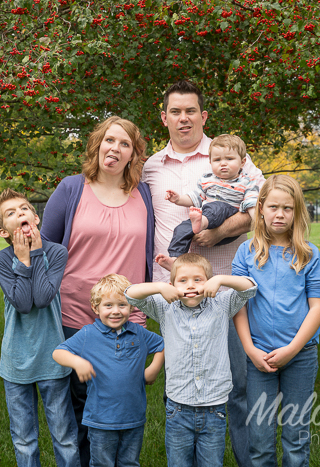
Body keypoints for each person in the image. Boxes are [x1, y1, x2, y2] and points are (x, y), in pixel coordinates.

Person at [144, 79, 263, 467]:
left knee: (236, 387)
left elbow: (258, 210)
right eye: (175, 112)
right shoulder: (150, 168)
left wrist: (217, 233)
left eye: (190, 111)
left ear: (203, 115)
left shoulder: (228, 155)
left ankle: (247, 460)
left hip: (224, 289)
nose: (183, 118)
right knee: (180, 386)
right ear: (164, 118)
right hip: (173, 294)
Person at [38, 116, 155, 465]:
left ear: (133, 154)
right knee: (83, 410)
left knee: (120, 407)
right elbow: (45, 247)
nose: (115, 148)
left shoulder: (144, 194)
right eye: (109, 140)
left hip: (128, 316)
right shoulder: (71, 189)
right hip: (78, 316)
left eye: (124, 144)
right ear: (97, 145)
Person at [125, 253, 258, 467]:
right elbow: (131, 295)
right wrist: (159, 287)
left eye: (198, 279)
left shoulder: (222, 304)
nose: (191, 286)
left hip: (214, 407)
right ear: (172, 284)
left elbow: (250, 288)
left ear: (209, 283)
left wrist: (220, 279)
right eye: (183, 281)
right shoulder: (164, 307)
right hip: (178, 407)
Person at [233, 175, 320, 467]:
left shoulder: (309, 254)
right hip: (259, 355)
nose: (280, 214)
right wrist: (250, 350)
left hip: (301, 355)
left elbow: (318, 309)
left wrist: (292, 350)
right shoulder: (246, 252)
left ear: (297, 212)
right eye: (273, 206)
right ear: (260, 208)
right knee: (260, 440)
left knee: (296, 438)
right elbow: (238, 307)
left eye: (288, 208)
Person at [0, 188, 79, 467]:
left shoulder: (56, 252)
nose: (20, 214)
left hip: (53, 357)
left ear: (36, 218)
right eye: (11, 213)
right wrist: (23, 260)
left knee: (64, 437)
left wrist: (37, 255)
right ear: (4, 232)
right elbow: (23, 304)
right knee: (24, 440)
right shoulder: (1, 260)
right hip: (16, 361)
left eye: (25, 208)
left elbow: (42, 298)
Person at [52, 274, 164, 467]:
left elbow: (162, 344)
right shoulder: (88, 334)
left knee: (129, 463)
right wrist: (77, 362)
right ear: (96, 308)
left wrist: (153, 368)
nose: (116, 311)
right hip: (100, 420)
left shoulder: (138, 333)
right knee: (102, 463)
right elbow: (58, 352)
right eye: (108, 305)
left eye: (122, 305)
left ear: (132, 306)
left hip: (133, 418)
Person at [156, 134, 265, 272]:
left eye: (229, 159)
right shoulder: (207, 179)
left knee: (217, 206)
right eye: (217, 160)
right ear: (210, 162)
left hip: (228, 217)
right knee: (181, 228)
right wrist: (178, 199)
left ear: (243, 162)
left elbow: (251, 203)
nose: (223, 163)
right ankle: (176, 260)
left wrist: (257, 221)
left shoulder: (247, 181)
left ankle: (201, 222)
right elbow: (195, 197)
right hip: (207, 217)